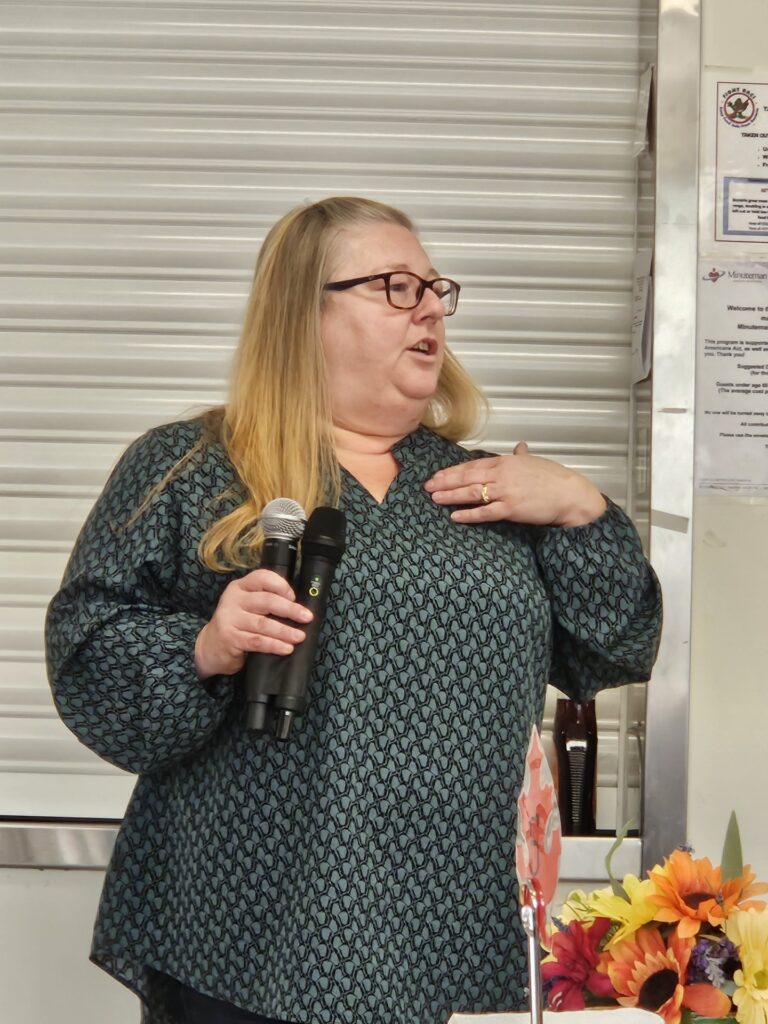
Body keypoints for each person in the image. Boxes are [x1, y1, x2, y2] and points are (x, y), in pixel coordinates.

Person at [45, 196, 662, 1024]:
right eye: (397, 287)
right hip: (248, 943)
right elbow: (88, 658)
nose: (432, 308)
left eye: (437, 289)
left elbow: (614, 652)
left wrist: (584, 509)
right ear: (305, 311)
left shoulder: (490, 489)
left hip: (457, 942)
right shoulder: (190, 469)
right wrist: (206, 645)